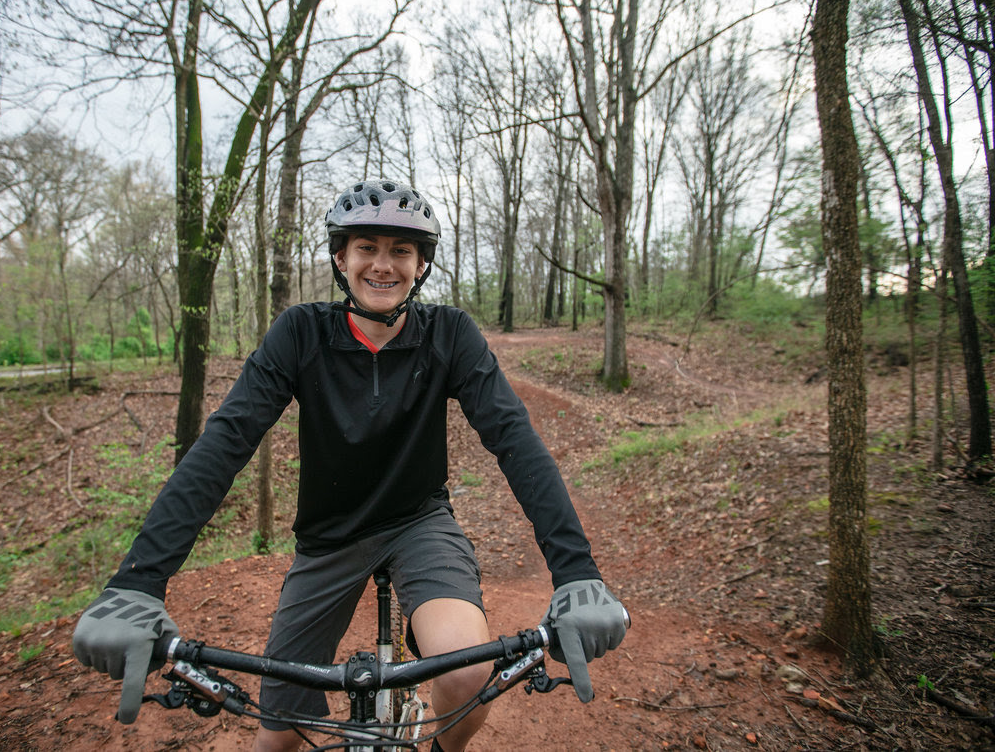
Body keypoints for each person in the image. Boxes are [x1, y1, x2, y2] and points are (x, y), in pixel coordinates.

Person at [72, 179, 630, 752]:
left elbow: (516, 442)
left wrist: (576, 572)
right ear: (341, 258)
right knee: (277, 736)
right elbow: (224, 444)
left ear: (421, 265)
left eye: (401, 250)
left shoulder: (450, 334)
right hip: (328, 538)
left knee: (467, 673)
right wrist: (138, 582)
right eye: (367, 247)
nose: (382, 264)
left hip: (420, 524)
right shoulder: (300, 333)